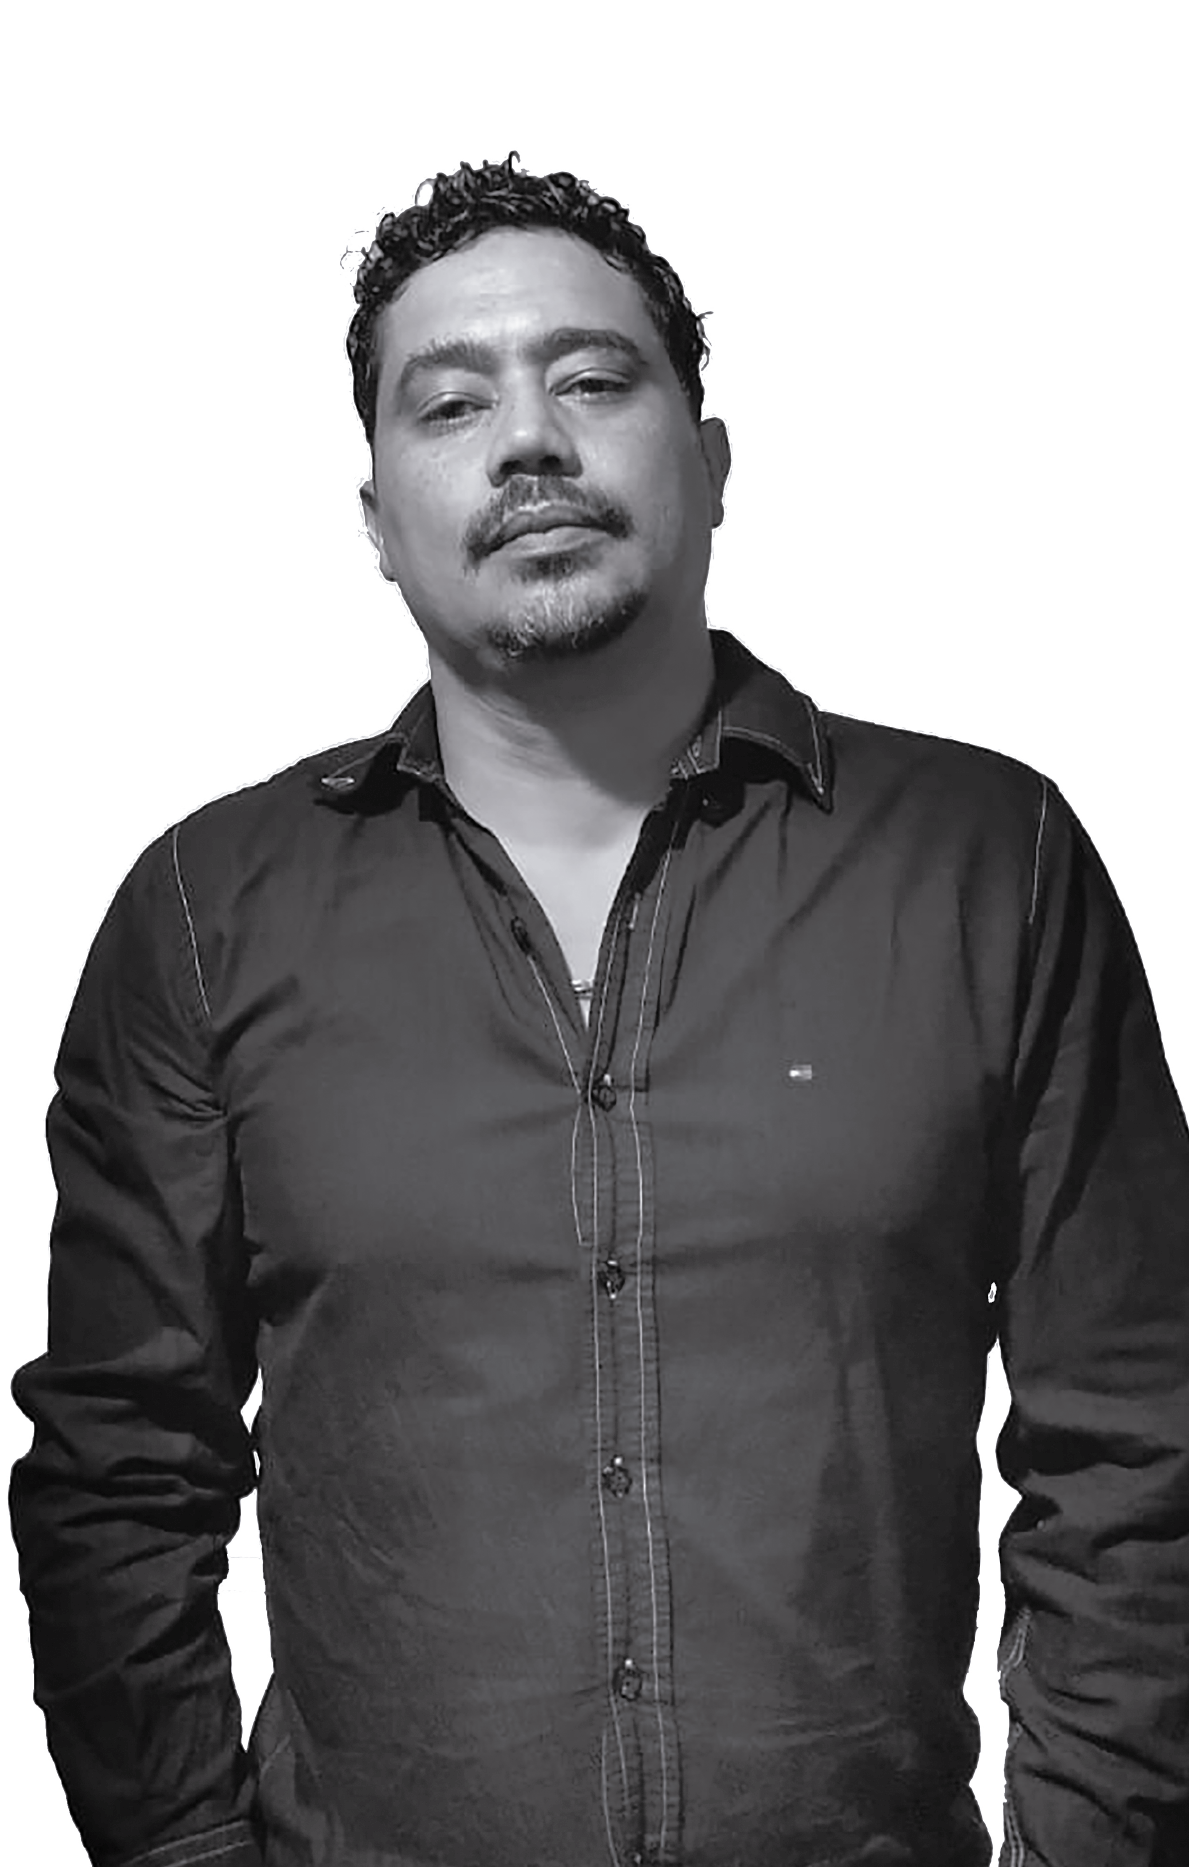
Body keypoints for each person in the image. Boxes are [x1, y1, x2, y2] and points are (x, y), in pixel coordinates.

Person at [10, 152, 1188, 1867]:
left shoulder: (985, 865)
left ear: (709, 460)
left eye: (590, 379)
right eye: (451, 403)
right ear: (376, 520)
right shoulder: (207, 913)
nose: (529, 442)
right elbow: (120, 1463)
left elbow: (1140, 1438)